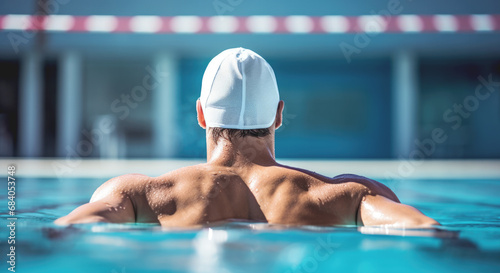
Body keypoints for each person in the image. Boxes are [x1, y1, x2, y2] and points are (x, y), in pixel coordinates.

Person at [56, 48, 439, 228]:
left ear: (201, 114)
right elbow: (428, 229)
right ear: (278, 114)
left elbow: (68, 229)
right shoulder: (347, 197)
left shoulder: (140, 196)